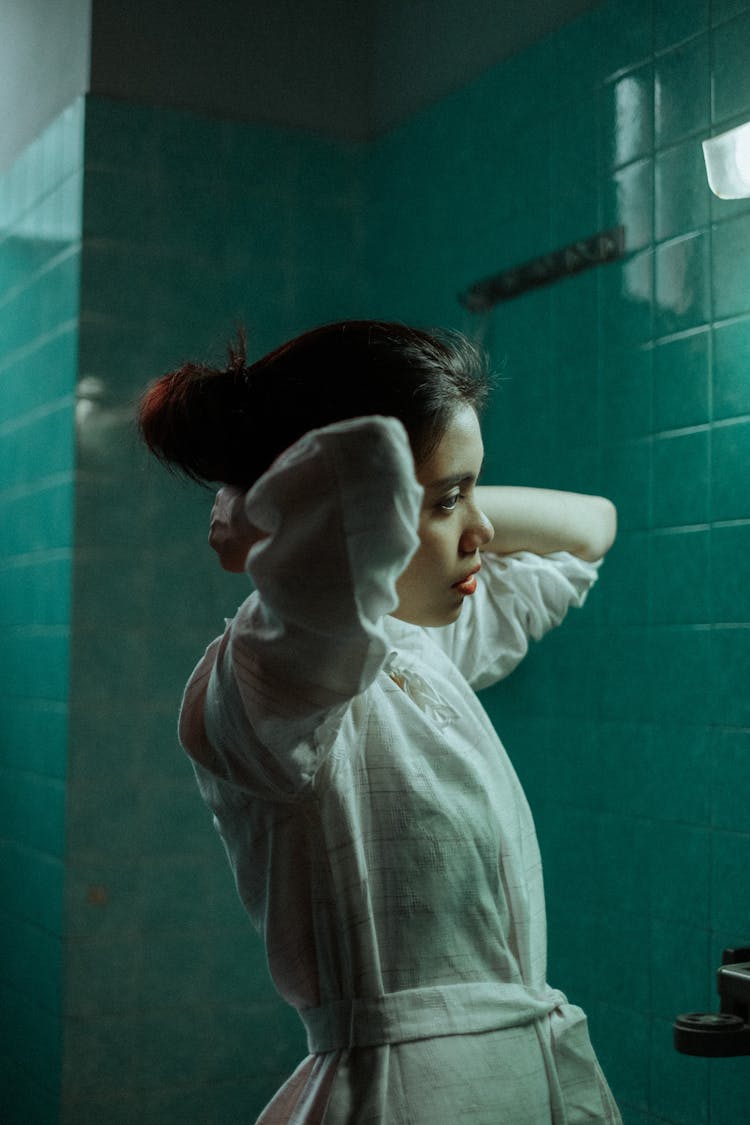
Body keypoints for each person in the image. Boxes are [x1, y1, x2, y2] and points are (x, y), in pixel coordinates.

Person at [138, 320, 620, 1124]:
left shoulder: (420, 645)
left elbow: (588, 531)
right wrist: (261, 519)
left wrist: (452, 492)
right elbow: (353, 473)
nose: (484, 535)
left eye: (470, 491)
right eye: (444, 501)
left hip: (529, 1082)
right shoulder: (267, 683)